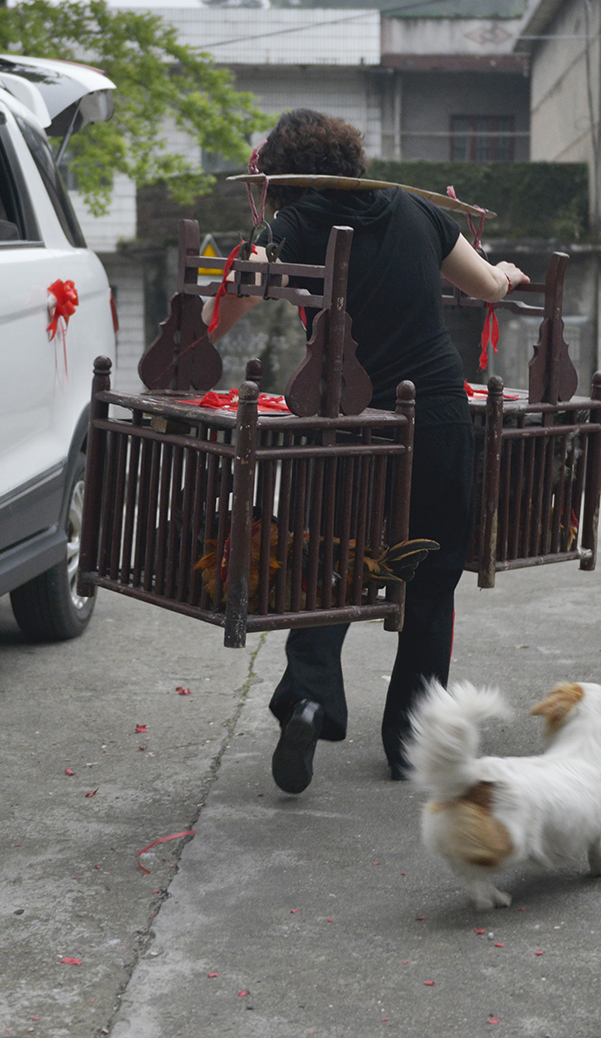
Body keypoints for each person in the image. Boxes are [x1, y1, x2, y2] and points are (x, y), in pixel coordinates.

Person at [208, 109, 526, 792]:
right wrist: (505, 271)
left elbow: (243, 289)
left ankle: (310, 701)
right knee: (432, 581)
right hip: (437, 412)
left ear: (285, 175)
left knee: (327, 565)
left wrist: (209, 318)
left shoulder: (295, 222)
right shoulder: (418, 209)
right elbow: (487, 287)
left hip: (347, 422)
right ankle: (411, 744)